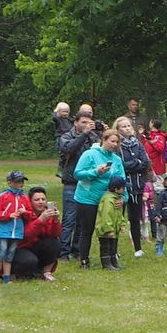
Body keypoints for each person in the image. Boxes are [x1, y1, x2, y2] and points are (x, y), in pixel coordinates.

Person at [73, 127, 123, 268]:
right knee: (87, 230)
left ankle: (109, 260)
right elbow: (77, 174)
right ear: (104, 140)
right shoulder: (89, 154)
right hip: (87, 198)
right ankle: (84, 260)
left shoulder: (116, 159)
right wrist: (96, 172)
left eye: (117, 142)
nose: (114, 144)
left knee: (109, 228)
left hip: (108, 200)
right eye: (112, 141)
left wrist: (123, 198)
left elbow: (122, 179)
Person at [55, 111, 98, 259]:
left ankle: (77, 250)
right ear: (75, 122)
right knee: (69, 219)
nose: (86, 125)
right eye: (83, 122)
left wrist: (100, 133)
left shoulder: (93, 137)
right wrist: (84, 134)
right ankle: (63, 252)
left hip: (87, 182)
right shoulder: (66, 136)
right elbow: (68, 149)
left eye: (88, 122)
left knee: (82, 220)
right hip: (71, 182)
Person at [114, 116, 152, 258]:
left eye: (129, 125)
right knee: (117, 219)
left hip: (137, 186)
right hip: (122, 187)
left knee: (135, 218)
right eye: (124, 126)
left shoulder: (138, 144)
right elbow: (120, 165)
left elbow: (145, 162)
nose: (127, 128)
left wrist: (133, 164)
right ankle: (113, 250)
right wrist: (136, 163)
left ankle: (138, 248)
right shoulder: (116, 146)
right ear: (118, 129)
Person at [11, 187, 60, 281]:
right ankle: (16, 273)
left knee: (54, 242)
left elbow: (54, 234)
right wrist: (40, 220)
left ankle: (46, 272)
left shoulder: (47, 212)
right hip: (20, 247)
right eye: (37, 200)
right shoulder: (24, 212)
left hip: (36, 247)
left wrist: (56, 220)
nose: (41, 202)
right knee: (29, 260)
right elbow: (26, 236)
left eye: (43, 199)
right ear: (30, 201)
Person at [0, 170, 33, 285]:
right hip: (2, 231)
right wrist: (8, 215)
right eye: (17, 181)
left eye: (22, 181)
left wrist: (25, 212)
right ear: (9, 183)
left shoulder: (24, 198)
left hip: (16, 231)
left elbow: (30, 214)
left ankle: (7, 277)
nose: (20, 184)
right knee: (1, 253)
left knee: (10, 254)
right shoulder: (2, 197)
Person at [94, 177, 128, 270]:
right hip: (105, 230)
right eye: (123, 188)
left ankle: (114, 262)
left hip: (114, 229)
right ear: (116, 189)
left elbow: (119, 213)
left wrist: (121, 224)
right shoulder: (108, 200)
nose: (124, 190)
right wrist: (109, 230)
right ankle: (106, 264)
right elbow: (106, 215)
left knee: (113, 246)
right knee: (106, 247)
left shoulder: (117, 199)